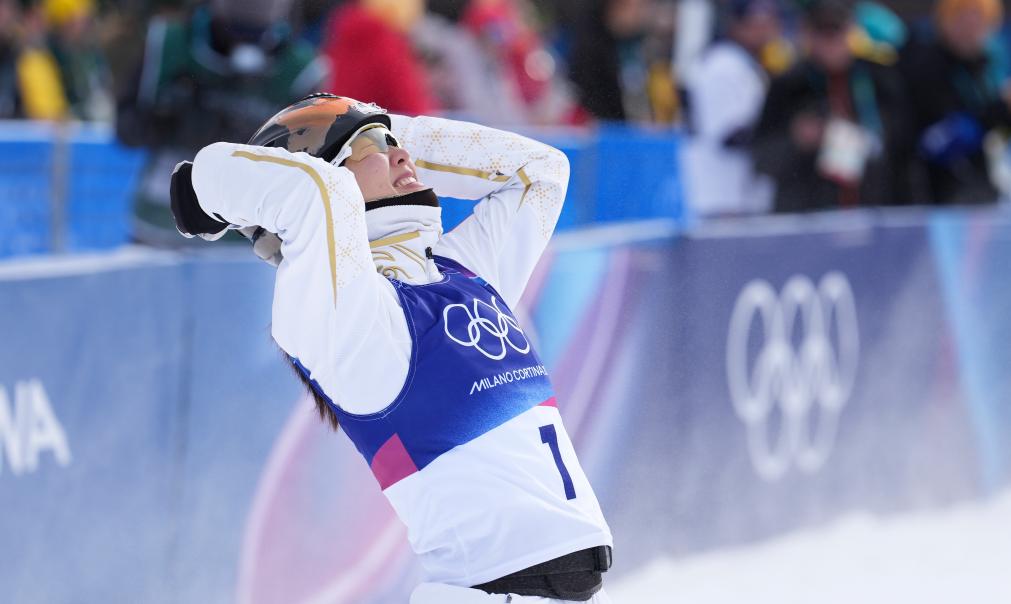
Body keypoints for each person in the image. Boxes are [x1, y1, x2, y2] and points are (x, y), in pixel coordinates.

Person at [168, 93, 614, 603]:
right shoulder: (344, 319)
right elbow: (317, 193)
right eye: (372, 148)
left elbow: (540, 172)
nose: (404, 154)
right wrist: (205, 187)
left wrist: (375, 126)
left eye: (394, 143)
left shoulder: (461, 272)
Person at [116, 0, 327, 244]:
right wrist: (168, 120)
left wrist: (254, 142)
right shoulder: (171, 45)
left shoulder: (300, 71)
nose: (243, 43)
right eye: (234, 31)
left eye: (255, 32)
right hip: (161, 225)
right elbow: (126, 130)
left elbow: (311, 166)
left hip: (250, 242)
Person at [751, 0, 913, 212]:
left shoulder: (878, 81)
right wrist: (797, 140)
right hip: (808, 213)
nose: (830, 43)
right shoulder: (789, 86)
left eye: (836, 32)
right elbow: (761, 158)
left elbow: (904, 148)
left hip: (872, 210)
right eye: (822, 33)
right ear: (807, 34)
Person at [899, 0, 1009, 204]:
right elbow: (943, 139)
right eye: (962, 18)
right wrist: (1000, 109)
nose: (970, 27)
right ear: (945, 21)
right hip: (938, 190)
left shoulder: (987, 65)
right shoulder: (926, 64)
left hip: (985, 185)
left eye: (979, 20)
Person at [682, 0, 782, 217]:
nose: (764, 31)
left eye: (768, 22)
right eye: (755, 23)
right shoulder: (722, 65)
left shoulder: (746, 63)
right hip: (722, 198)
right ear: (736, 25)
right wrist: (783, 129)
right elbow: (728, 134)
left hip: (741, 198)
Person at [322, 0, 438, 115]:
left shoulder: (346, 32)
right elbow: (412, 105)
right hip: (378, 123)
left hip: (344, 120)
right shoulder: (384, 42)